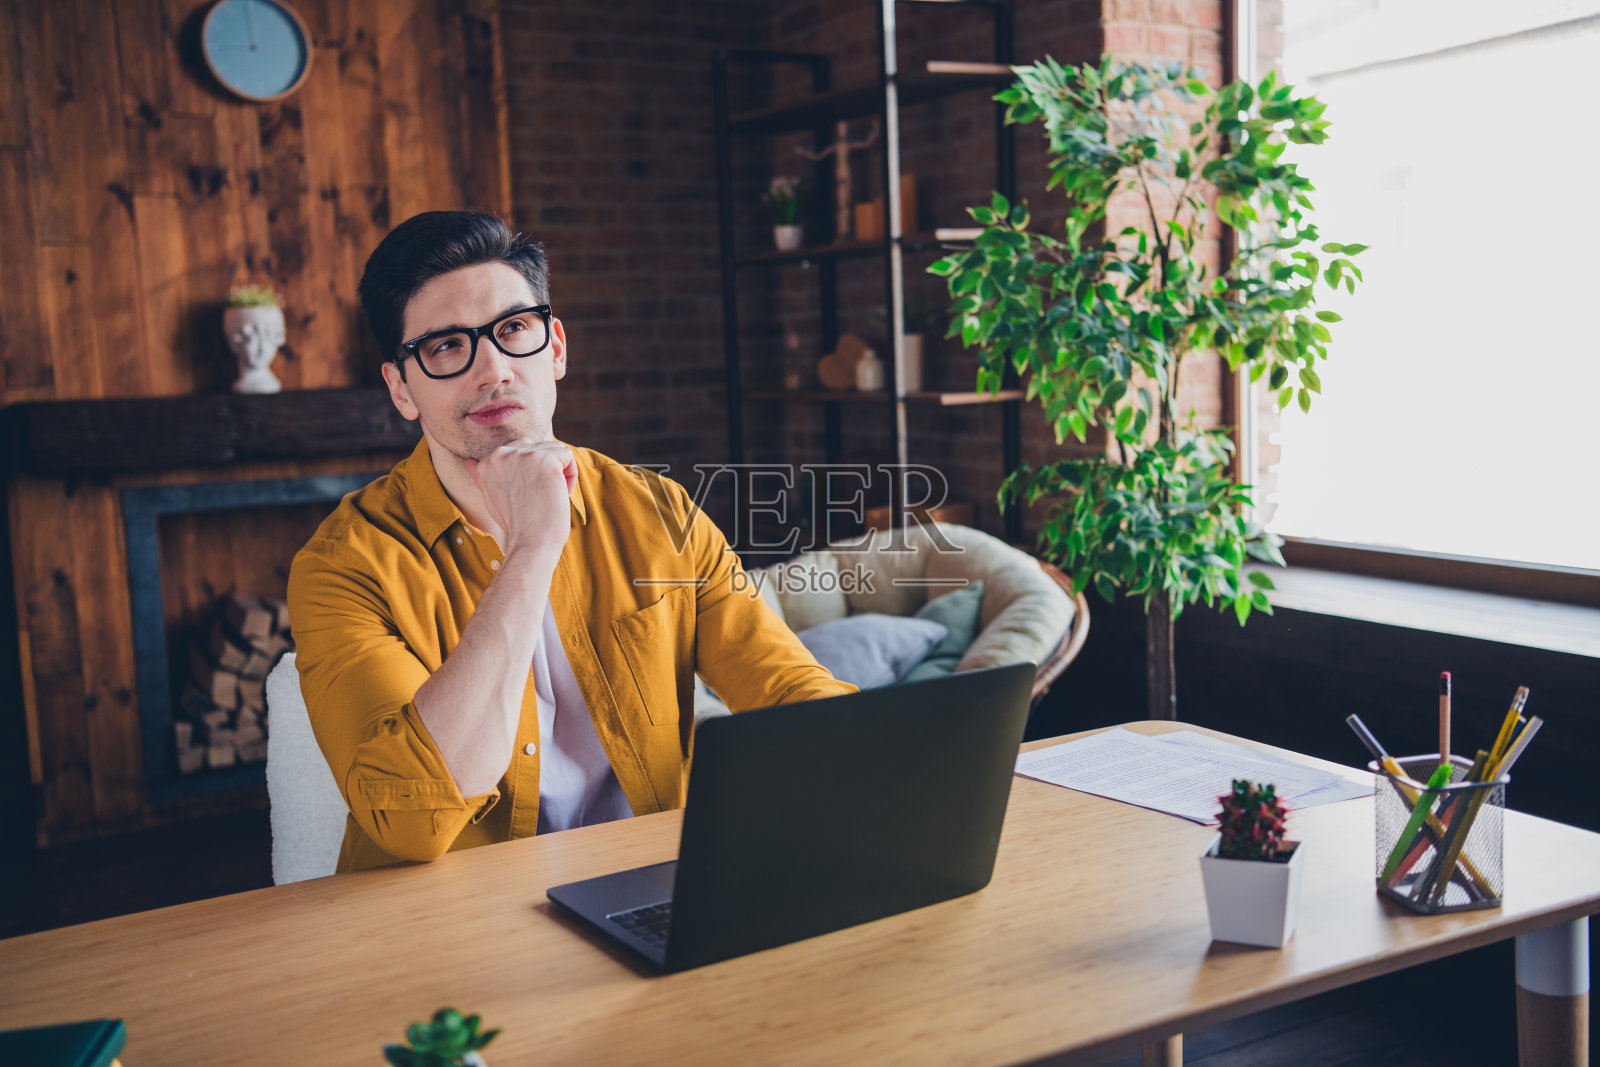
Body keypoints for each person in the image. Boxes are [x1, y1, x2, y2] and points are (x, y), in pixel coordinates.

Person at [287, 211, 853, 873]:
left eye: (513, 330)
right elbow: (411, 819)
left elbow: (787, 692)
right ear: (401, 389)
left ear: (554, 347)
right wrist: (533, 545)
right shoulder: (344, 565)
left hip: (652, 891)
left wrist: (887, 753)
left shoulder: (655, 511)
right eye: (445, 346)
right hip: (447, 936)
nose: (492, 368)